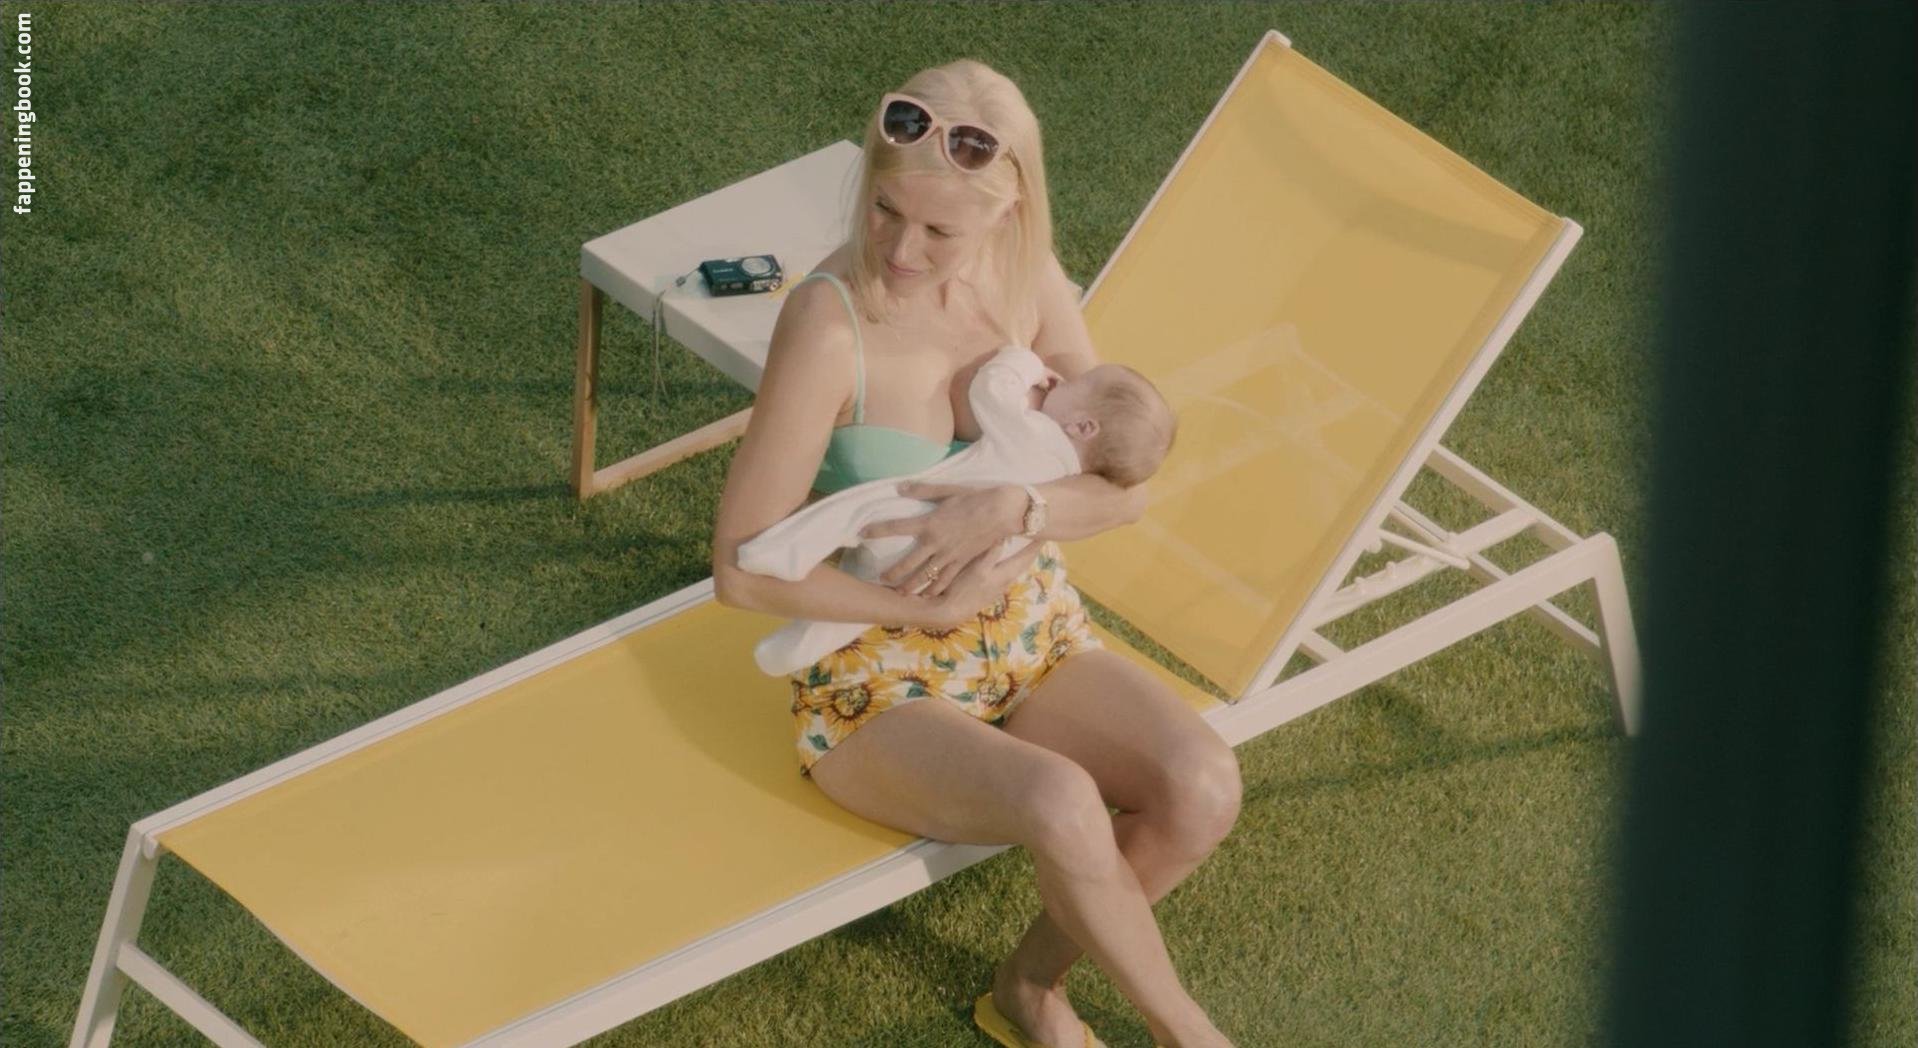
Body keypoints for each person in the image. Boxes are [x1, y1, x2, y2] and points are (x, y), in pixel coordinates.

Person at [709, 58, 1242, 1048]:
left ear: (1005, 215)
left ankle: (1030, 989)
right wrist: (925, 609)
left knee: (1202, 786)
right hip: (876, 674)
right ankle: (1190, 1035)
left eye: (940, 232)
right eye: (884, 211)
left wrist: (1015, 506)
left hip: (1029, 632)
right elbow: (740, 568)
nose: (901, 250)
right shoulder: (829, 326)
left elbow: (1124, 485)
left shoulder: (1026, 282)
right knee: (1061, 798)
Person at [736, 343, 1177, 677]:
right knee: (870, 598)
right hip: (953, 573)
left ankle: (777, 553)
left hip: (914, 518)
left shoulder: (1038, 435)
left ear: (1083, 426)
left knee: (851, 513)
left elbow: (991, 391)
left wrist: (1024, 362)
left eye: (1073, 385)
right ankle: (793, 649)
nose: (1058, 382)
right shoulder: (1070, 477)